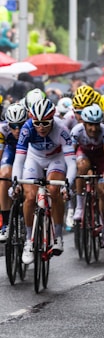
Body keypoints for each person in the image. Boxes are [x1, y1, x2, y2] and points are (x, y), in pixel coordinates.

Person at [12, 98, 77, 265]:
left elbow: (71, 162)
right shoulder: (27, 129)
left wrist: (67, 185)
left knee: (54, 191)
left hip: (56, 159)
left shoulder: (61, 129)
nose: (41, 127)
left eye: (45, 123)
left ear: (52, 119)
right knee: (29, 197)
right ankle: (28, 240)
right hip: (34, 159)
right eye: (37, 122)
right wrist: (15, 182)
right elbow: (19, 160)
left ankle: (58, 236)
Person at [70, 104, 104, 247]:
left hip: (100, 158)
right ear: (83, 122)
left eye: (96, 125)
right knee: (81, 167)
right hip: (85, 155)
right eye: (90, 125)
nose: (93, 129)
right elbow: (70, 154)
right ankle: (80, 206)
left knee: (103, 192)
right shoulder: (76, 131)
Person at [0, 103, 27, 241]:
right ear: (8, 123)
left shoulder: (31, 127)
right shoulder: (2, 129)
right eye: (13, 126)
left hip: (29, 153)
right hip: (11, 152)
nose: (17, 130)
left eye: (20, 125)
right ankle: (5, 223)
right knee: (4, 175)